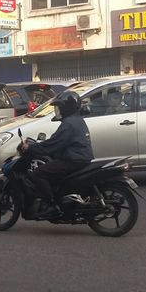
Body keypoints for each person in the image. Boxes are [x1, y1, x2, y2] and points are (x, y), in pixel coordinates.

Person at [20, 90, 93, 218]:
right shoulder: (75, 120)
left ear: (66, 108)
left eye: (59, 107)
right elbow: (57, 141)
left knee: (39, 173)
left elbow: (52, 144)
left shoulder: (69, 123)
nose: (57, 110)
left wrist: (31, 147)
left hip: (73, 159)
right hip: (80, 157)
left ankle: (51, 205)